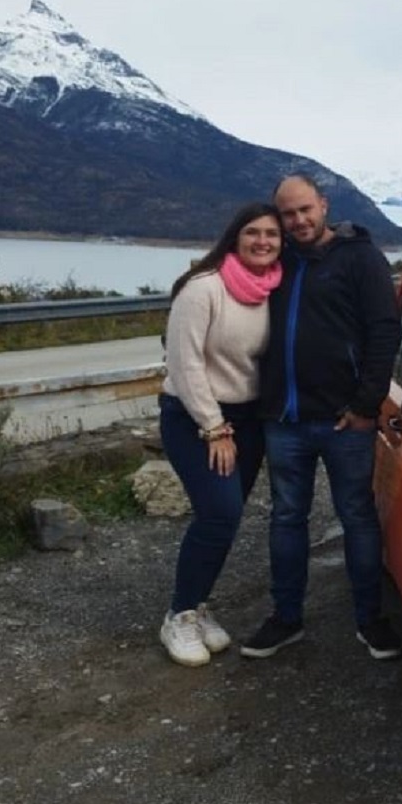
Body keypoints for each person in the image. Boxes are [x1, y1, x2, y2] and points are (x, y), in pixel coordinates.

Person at [241, 174, 402, 660]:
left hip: (344, 421)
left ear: (323, 205)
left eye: (305, 210)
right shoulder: (277, 260)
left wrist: (366, 406)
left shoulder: (361, 259)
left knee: (356, 516)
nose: (297, 221)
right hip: (283, 419)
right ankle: (286, 618)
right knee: (286, 517)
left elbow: (385, 332)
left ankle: (370, 620)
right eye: (287, 214)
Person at [158, 202, 284, 666]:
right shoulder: (203, 288)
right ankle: (179, 615)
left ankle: (198, 603)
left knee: (226, 519)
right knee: (219, 512)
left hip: (247, 419)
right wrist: (214, 428)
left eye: (272, 234)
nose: (262, 241)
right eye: (253, 232)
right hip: (196, 418)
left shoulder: (273, 289)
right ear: (235, 236)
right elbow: (184, 363)